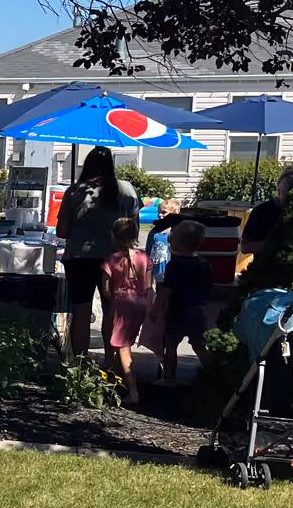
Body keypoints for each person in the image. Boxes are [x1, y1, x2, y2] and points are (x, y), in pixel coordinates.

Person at [55, 146, 138, 360]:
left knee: (81, 310)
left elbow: (62, 232)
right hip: (115, 258)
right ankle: (110, 365)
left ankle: (79, 367)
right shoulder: (127, 190)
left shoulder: (75, 192)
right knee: (112, 311)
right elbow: (133, 230)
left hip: (79, 259)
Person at [150, 218, 212, 387]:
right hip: (197, 310)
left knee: (171, 345)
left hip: (177, 311)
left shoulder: (174, 265)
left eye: (172, 237)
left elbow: (166, 290)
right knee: (199, 345)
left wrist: (156, 309)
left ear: (178, 243)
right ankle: (213, 374)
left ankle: (169, 378)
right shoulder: (204, 265)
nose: (169, 240)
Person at [100, 217, 153, 406]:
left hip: (122, 303)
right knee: (122, 343)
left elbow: (106, 290)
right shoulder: (144, 257)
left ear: (113, 236)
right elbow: (148, 286)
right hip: (140, 302)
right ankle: (113, 383)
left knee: (122, 348)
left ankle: (133, 391)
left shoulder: (111, 260)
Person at [239, 165, 293, 265]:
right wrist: (275, 244)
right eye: (284, 192)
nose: (288, 197)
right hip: (265, 270)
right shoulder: (262, 212)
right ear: (278, 189)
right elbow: (245, 247)